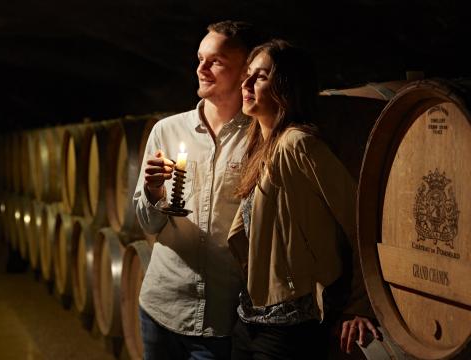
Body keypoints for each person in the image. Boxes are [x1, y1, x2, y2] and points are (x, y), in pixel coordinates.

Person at [227, 39, 380, 359]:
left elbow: (360, 220)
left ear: (286, 87)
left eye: (262, 76)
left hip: (288, 328)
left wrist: (360, 305)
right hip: (248, 319)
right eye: (248, 74)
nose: (247, 83)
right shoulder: (259, 146)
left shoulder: (298, 144)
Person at [134, 20, 262, 360]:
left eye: (215, 61)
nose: (201, 69)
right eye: (199, 58)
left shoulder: (260, 137)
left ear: (245, 71)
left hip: (218, 319)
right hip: (160, 305)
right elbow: (148, 225)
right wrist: (152, 190)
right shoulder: (167, 130)